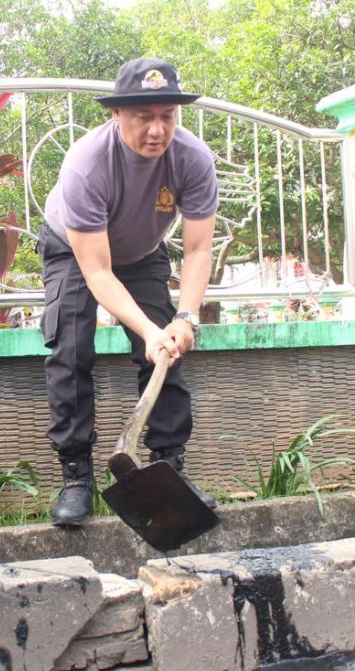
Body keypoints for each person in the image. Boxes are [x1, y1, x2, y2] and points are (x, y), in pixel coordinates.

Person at [37, 57, 219, 526]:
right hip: (75, 252)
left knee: (165, 352)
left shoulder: (194, 159)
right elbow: (97, 273)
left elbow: (198, 250)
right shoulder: (87, 164)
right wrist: (148, 328)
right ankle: (77, 477)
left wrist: (186, 319)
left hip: (141, 253)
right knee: (70, 349)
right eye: (145, 117)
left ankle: (168, 469)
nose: (158, 129)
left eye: (168, 116)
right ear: (117, 115)